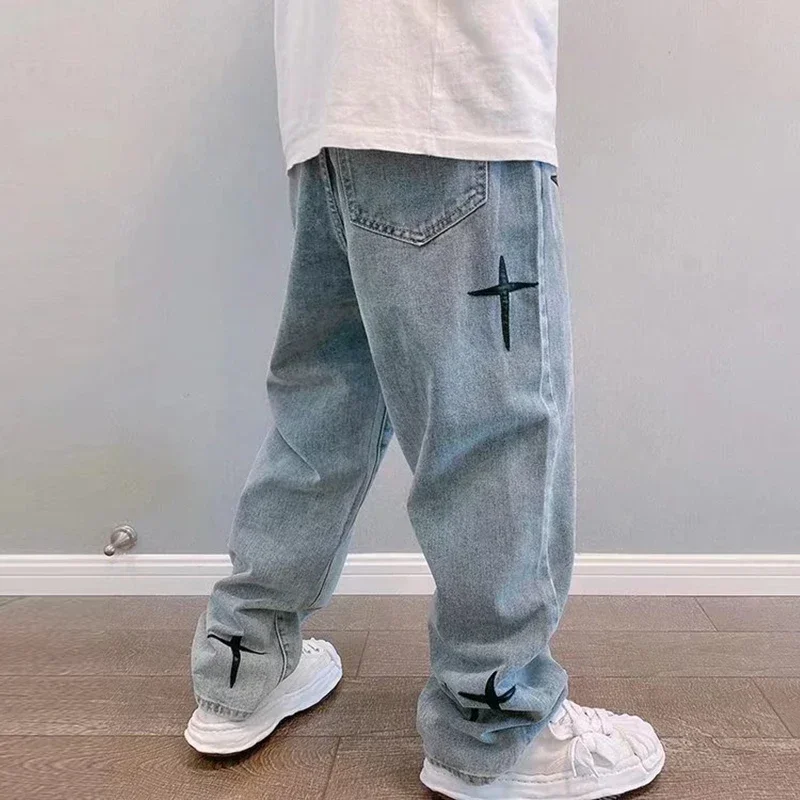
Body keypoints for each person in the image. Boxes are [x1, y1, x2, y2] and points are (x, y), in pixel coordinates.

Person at [184, 2, 666, 798]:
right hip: (454, 97)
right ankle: (496, 730)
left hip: (327, 110)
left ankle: (243, 663)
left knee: (323, 409)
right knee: (491, 423)